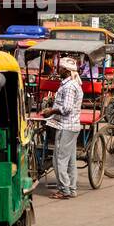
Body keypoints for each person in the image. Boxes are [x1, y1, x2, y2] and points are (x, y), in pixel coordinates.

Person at [42, 57, 83, 199]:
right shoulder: (71, 84)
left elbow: (66, 108)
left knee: (59, 159)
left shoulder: (70, 86)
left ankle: (64, 190)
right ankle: (71, 188)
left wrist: (51, 111)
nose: (57, 70)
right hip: (72, 126)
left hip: (66, 126)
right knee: (70, 160)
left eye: (59, 68)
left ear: (65, 70)